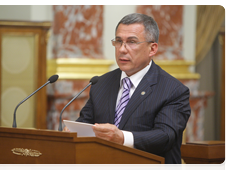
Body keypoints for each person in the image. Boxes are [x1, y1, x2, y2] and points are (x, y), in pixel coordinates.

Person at [64, 13, 191, 170]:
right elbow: (87, 122)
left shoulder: (173, 90)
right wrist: (74, 131)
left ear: (152, 48)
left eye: (131, 42)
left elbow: (165, 136)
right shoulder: (101, 83)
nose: (122, 49)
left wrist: (122, 138)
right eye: (118, 41)